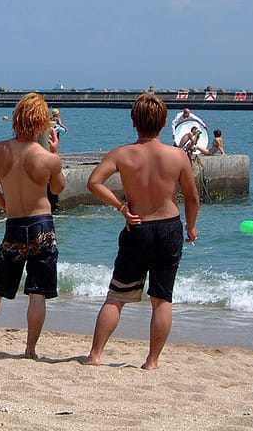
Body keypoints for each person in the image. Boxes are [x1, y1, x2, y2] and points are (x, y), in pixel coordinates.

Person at [81, 93, 199, 370]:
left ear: (134, 122)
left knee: (117, 296)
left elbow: (94, 182)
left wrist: (122, 207)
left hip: (137, 226)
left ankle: (95, 355)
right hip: (169, 227)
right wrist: (192, 227)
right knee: (161, 299)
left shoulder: (123, 154)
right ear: (164, 122)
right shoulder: (177, 156)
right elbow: (192, 198)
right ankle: (152, 361)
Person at [0, 92, 66, 358]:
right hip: (42, 226)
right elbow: (58, 188)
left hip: (14, 223)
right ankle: (30, 349)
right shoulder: (47, 158)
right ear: (42, 123)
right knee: (37, 292)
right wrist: (55, 155)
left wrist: (8, 207)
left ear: (17, 119)